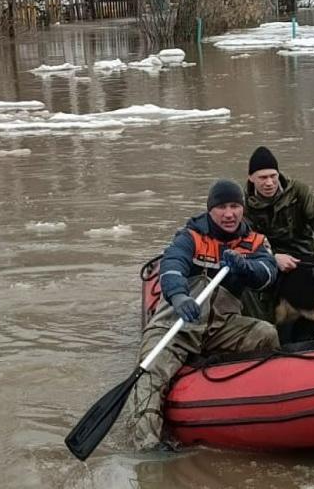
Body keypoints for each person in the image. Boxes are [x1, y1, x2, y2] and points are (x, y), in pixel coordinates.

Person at [129, 179, 280, 449]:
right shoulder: (190, 236)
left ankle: (263, 411)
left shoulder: (255, 242)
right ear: (210, 210)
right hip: (177, 326)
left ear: (243, 208)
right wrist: (178, 294)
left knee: (265, 333)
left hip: (222, 326)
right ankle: (147, 445)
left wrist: (246, 268)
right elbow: (173, 263)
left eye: (235, 206)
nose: (229, 213)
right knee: (150, 372)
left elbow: (268, 274)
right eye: (222, 207)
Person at [242, 146, 314, 341]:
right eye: (262, 178)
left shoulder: (298, 191)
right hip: (267, 259)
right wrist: (272, 258)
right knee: (254, 288)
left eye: (273, 176)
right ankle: (276, 336)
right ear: (251, 178)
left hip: (303, 257)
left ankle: (305, 334)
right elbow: (244, 241)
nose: (269, 182)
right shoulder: (242, 205)